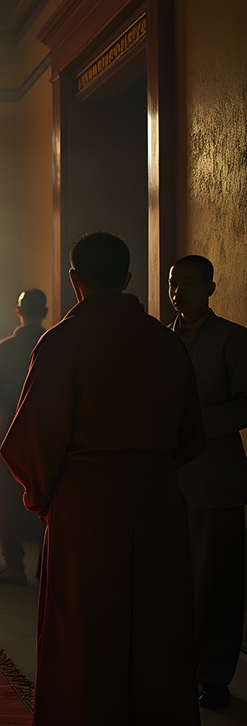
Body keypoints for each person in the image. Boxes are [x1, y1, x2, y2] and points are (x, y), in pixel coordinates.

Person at [0, 232, 205, 726]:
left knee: (85, 632)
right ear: (129, 279)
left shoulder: (63, 342)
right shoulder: (165, 341)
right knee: (158, 626)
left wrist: (45, 498)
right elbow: (191, 435)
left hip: (86, 506)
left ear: (75, 281)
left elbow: (33, 438)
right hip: (157, 499)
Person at [168, 254, 247, 711]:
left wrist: (196, 422)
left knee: (217, 579)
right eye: (174, 283)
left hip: (216, 476)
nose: (180, 292)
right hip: (168, 476)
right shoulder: (159, 339)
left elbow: (246, 405)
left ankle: (215, 674)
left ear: (212, 289)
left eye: (191, 283)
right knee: (176, 578)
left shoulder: (233, 340)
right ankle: (178, 665)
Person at [0, 290, 48, 586]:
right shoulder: (53, 341)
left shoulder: (6, 347)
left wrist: (4, 408)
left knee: (8, 494)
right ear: (45, 311)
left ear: (18, 310)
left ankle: (15, 566)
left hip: (9, 422)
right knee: (47, 491)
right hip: (47, 424)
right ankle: (45, 567)